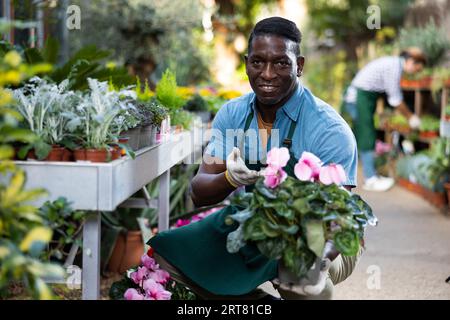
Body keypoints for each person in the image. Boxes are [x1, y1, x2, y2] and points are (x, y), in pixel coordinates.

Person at [148, 17, 362, 300]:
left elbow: (340, 217)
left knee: (297, 277)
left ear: (299, 65)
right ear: (247, 62)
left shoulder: (328, 129)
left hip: (321, 235)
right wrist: (229, 177)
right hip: (257, 226)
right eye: (258, 62)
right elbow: (198, 192)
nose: (268, 74)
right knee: (169, 253)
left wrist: (317, 259)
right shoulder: (233, 114)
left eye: (281, 63)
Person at [343, 48, 426, 192]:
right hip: (359, 97)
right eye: (416, 69)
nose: (414, 73)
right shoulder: (394, 67)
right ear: (411, 62)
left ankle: (369, 175)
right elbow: (395, 99)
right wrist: (411, 118)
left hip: (364, 97)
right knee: (366, 135)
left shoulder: (394, 64)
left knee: (363, 135)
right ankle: (370, 179)